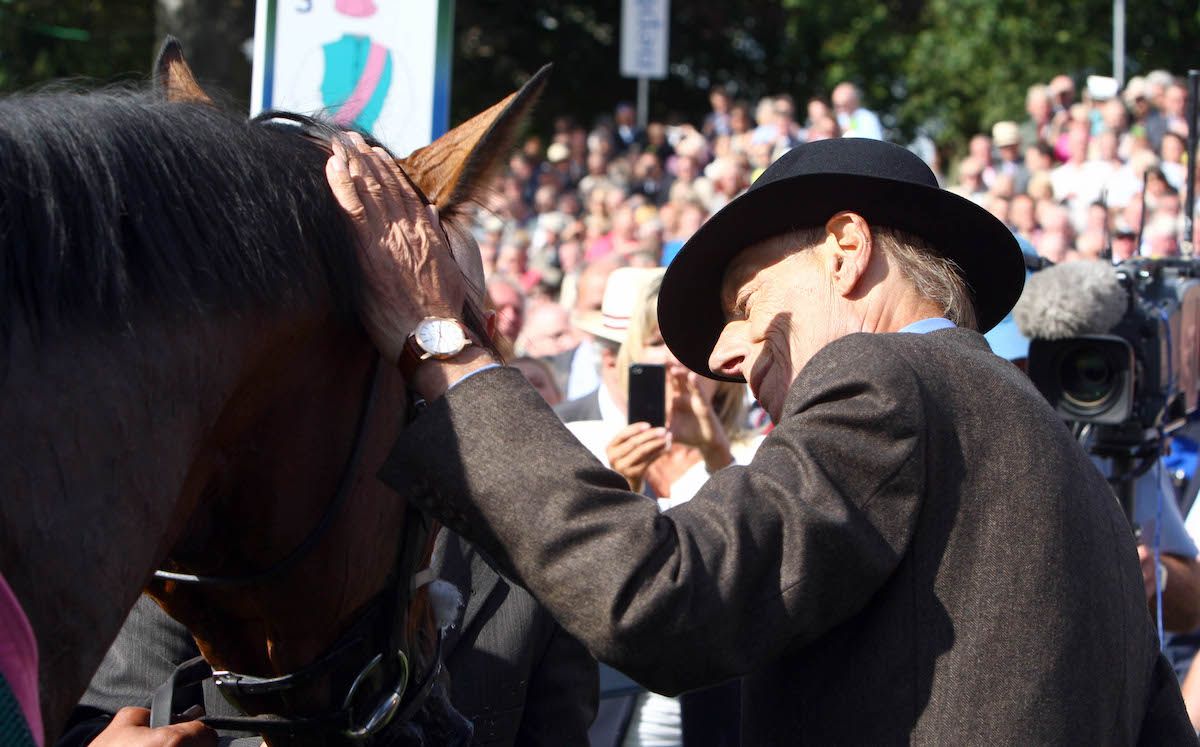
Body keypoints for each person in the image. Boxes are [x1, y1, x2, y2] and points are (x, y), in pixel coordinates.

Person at [326, 133, 1194, 742]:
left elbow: (656, 596)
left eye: (745, 305)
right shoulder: (1077, 470)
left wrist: (445, 347)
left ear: (846, 249)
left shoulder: (884, 379)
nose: (727, 353)